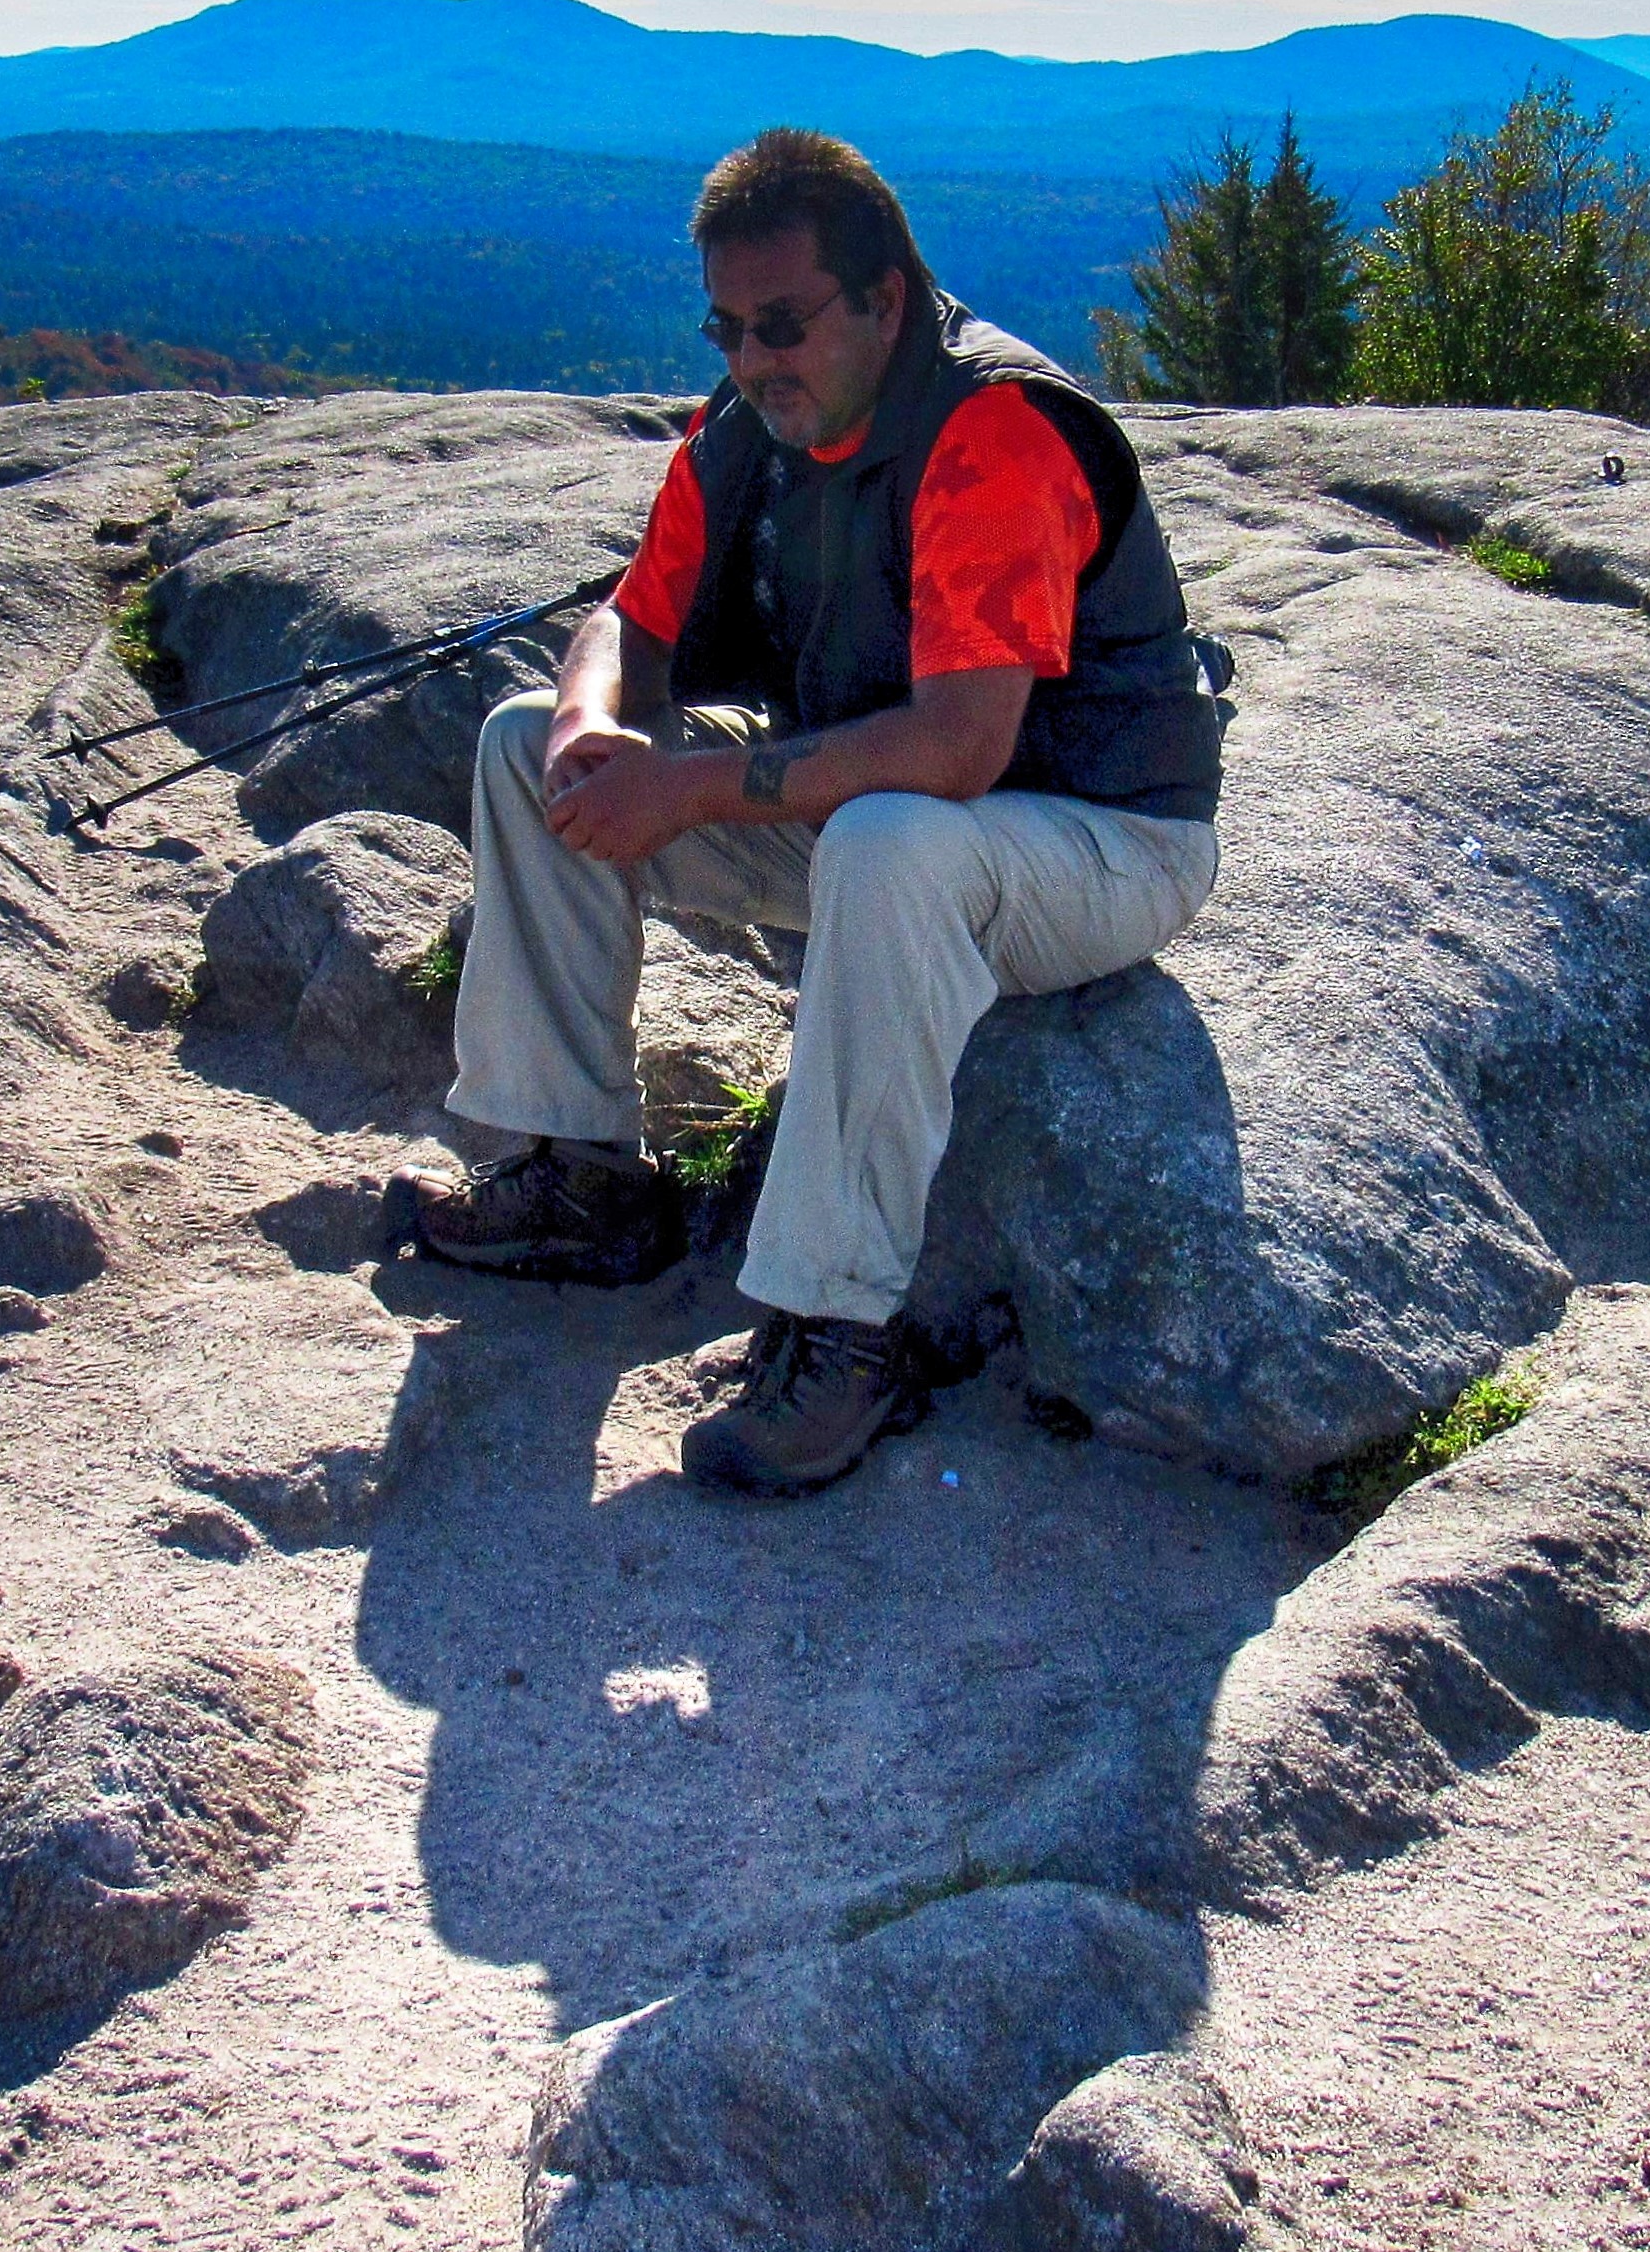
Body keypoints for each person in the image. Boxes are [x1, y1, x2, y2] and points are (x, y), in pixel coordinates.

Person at [394, 127, 1224, 1496]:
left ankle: (840, 1323)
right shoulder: (751, 425)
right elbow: (630, 619)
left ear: (885, 297)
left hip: (1103, 833)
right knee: (520, 752)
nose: (750, 357)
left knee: (890, 843)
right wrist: (596, 720)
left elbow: (961, 747)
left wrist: (694, 784)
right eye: (725, 326)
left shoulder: (991, 432)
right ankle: (576, 1172)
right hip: (905, 820)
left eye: (780, 323)